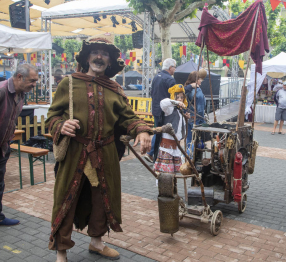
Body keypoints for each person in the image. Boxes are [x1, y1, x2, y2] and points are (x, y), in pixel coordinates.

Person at [46, 34, 152, 262]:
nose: (99, 57)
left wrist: (142, 130)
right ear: (87, 57)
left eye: (105, 54)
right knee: (67, 199)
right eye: (95, 52)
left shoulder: (114, 88)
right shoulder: (69, 83)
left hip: (105, 153)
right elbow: (52, 117)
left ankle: (97, 243)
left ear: (110, 61)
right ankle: (61, 251)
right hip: (75, 152)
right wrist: (61, 124)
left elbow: (128, 117)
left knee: (102, 200)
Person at [0, 64, 39, 226]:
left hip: (0, 150)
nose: (34, 84)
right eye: (32, 81)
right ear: (19, 77)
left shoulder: (21, 95)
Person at [144, 58, 177, 163]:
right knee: (162, 132)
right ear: (170, 68)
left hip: (155, 109)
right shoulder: (170, 80)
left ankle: (153, 154)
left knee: (158, 131)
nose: (175, 70)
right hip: (164, 112)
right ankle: (153, 154)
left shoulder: (156, 77)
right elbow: (174, 97)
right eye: (174, 67)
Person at [153, 84, 188, 173]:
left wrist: (186, 118)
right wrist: (176, 103)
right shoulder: (170, 109)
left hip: (176, 147)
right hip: (167, 148)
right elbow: (163, 103)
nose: (180, 99)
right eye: (178, 97)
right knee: (164, 174)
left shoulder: (180, 112)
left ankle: (173, 187)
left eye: (181, 97)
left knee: (174, 174)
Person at [185, 69, 207, 154]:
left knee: (189, 140)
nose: (201, 80)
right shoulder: (197, 91)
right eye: (199, 79)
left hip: (189, 117)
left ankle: (187, 158)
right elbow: (200, 109)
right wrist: (203, 121)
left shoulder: (187, 89)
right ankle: (191, 158)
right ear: (196, 80)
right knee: (196, 140)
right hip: (197, 119)